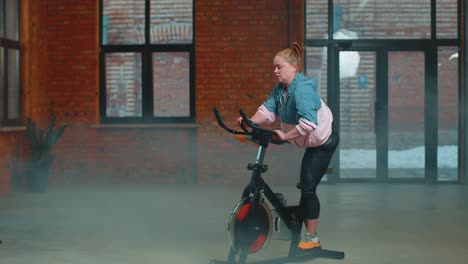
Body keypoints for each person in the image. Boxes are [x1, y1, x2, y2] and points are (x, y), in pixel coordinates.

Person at [236, 42, 339, 250]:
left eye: (279, 67)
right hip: (302, 138)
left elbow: (309, 124)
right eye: (274, 67)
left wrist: (284, 135)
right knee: (301, 180)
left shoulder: (302, 91)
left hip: (322, 142)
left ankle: (312, 239)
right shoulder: (281, 89)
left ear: (293, 68)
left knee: (308, 188)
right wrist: (250, 124)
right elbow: (267, 111)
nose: (275, 71)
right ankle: (291, 222)